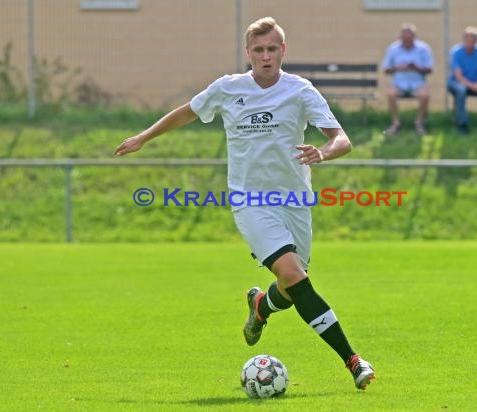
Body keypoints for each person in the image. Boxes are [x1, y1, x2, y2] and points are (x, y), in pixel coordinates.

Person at [114, 17, 375, 390]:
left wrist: (324, 152)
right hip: (250, 199)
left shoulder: (301, 91)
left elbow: (342, 140)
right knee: (292, 276)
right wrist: (145, 136)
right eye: (259, 50)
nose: (265, 56)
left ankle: (260, 307)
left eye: (272, 49)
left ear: (283, 51)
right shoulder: (228, 88)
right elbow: (188, 111)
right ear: (248, 53)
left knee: (289, 289)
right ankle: (353, 361)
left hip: (294, 201)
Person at [382, 23, 433, 136]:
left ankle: (419, 122)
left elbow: (429, 69)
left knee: (425, 95)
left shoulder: (423, 48)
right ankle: (396, 123)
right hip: (398, 83)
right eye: (405, 39)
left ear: (414, 37)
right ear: (401, 37)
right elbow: (386, 69)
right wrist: (398, 67)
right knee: (391, 93)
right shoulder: (393, 49)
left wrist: (416, 67)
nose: (408, 41)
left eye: (410, 39)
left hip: (418, 83)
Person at [447, 26, 477, 135]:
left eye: (473, 40)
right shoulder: (456, 52)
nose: (470, 43)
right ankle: (462, 123)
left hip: (476, 83)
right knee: (461, 90)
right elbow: (458, 76)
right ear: (464, 40)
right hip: (458, 83)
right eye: (468, 40)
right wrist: (472, 86)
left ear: (476, 41)